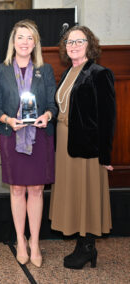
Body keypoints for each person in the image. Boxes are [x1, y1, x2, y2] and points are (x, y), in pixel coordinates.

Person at [0, 20, 57, 267]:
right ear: (13, 41)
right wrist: (8, 119)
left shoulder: (45, 70)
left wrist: (46, 116)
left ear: (35, 42)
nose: (25, 42)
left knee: (37, 190)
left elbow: (53, 105)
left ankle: (36, 241)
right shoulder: (0, 70)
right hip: (12, 135)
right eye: (20, 37)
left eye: (30, 38)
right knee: (17, 190)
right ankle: (20, 239)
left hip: (39, 137)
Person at [49, 26, 116, 269]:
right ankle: (81, 244)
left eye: (79, 41)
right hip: (65, 143)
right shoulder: (68, 72)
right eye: (69, 41)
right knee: (73, 194)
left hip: (87, 148)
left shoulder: (99, 73)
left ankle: (88, 247)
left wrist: (106, 155)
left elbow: (108, 118)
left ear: (90, 45)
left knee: (87, 195)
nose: (74, 45)